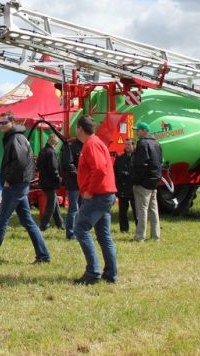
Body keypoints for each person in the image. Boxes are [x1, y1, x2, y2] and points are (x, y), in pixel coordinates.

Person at [0, 112, 51, 264]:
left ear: (12, 122)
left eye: (4, 122)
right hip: (20, 185)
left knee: (2, 220)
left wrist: (9, 179)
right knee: (28, 221)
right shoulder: (17, 137)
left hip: (15, 186)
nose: (1, 125)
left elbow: (20, 163)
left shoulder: (15, 138)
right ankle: (44, 256)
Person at [73, 115, 117, 284]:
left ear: (80, 129)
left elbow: (99, 170)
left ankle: (93, 272)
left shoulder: (91, 144)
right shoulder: (95, 142)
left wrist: (89, 191)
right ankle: (110, 274)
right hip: (104, 194)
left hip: (98, 195)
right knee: (104, 235)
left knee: (80, 229)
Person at [131, 122, 163, 242]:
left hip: (143, 182)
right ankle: (155, 235)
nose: (136, 132)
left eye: (138, 130)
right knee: (153, 209)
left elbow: (141, 164)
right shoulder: (157, 143)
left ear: (144, 130)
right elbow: (160, 161)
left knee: (142, 209)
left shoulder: (142, 143)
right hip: (154, 181)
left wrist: (136, 179)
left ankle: (140, 236)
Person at [37, 134, 64, 231]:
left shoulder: (42, 151)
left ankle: (60, 224)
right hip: (50, 182)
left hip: (43, 181)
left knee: (54, 203)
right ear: (55, 143)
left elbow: (38, 166)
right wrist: (59, 179)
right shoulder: (51, 152)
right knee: (51, 204)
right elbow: (53, 169)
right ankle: (44, 224)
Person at [61, 138, 83, 240]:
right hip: (74, 183)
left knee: (81, 208)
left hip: (82, 183)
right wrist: (79, 175)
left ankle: (78, 231)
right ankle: (70, 233)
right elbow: (68, 164)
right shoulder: (70, 145)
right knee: (74, 208)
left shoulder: (86, 145)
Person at [113, 139, 137, 233]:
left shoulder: (137, 158)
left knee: (136, 211)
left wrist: (129, 174)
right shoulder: (120, 158)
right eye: (125, 144)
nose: (126, 146)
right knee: (122, 211)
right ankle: (124, 229)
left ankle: (139, 228)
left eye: (128, 144)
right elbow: (115, 171)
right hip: (122, 188)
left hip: (134, 188)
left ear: (133, 145)